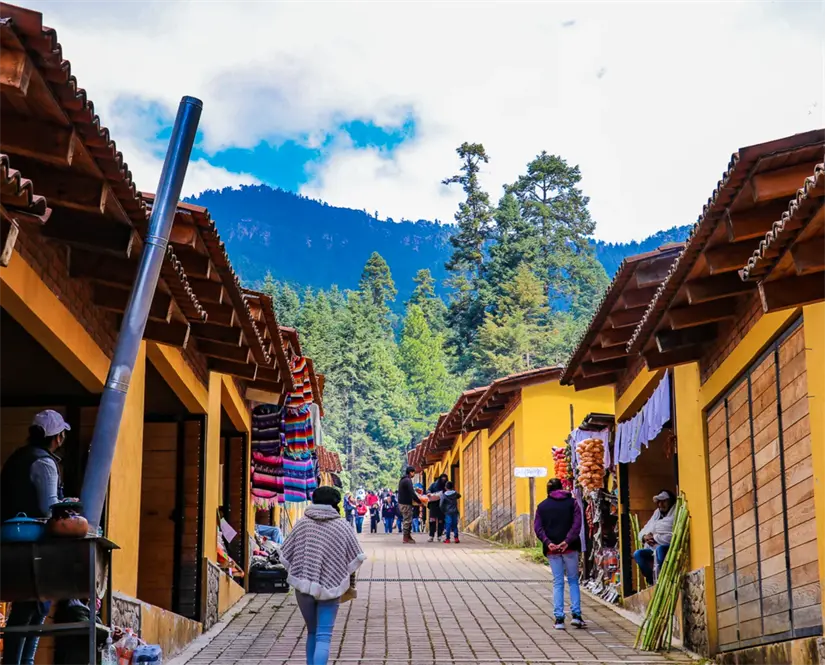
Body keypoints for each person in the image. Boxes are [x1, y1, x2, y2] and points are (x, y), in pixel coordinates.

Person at [0, 410, 71, 665]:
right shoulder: (44, 463)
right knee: (33, 606)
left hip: (9, 538)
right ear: (57, 437)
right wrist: (68, 507)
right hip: (32, 543)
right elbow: (48, 507)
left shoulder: (18, 457)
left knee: (26, 607)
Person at [281, 486, 366, 665]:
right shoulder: (342, 526)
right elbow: (356, 557)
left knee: (312, 632)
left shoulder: (302, 523)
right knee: (323, 637)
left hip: (303, 586)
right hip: (331, 587)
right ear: (336, 503)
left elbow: (286, 553)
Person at [534, 478, 585, 630]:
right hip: (570, 548)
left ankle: (559, 619)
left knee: (558, 582)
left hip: (552, 550)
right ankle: (576, 616)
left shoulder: (542, 506)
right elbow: (577, 524)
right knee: (573, 580)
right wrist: (567, 541)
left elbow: (538, 528)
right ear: (561, 488)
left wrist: (548, 542)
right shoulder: (572, 503)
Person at [634, 490, 676, 586]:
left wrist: (654, 537)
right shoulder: (657, 513)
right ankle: (652, 581)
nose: (661, 504)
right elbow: (643, 532)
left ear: (670, 501)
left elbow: (671, 535)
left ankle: (663, 580)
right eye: (659, 502)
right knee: (638, 554)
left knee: (660, 550)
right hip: (652, 547)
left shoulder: (676, 511)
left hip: (668, 547)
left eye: (664, 501)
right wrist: (645, 537)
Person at [397, 465, 422, 544]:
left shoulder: (402, 480)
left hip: (402, 503)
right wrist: (419, 501)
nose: (414, 474)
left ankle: (408, 536)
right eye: (413, 472)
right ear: (411, 472)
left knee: (408, 519)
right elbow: (412, 493)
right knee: (407, 520)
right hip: (406, 504)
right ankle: (405, 538)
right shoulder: (408, 480)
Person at [427, 474, 448, 542]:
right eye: (442, 479)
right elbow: (428, 490)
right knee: (432, 521)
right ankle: (431, 536)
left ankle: (439, 536)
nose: (443, 480)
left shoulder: (446, 486)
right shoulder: (434, 485)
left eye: (445, 479)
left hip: (442, 506)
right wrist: (429, 493)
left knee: (441, 521)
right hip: (433, 505)